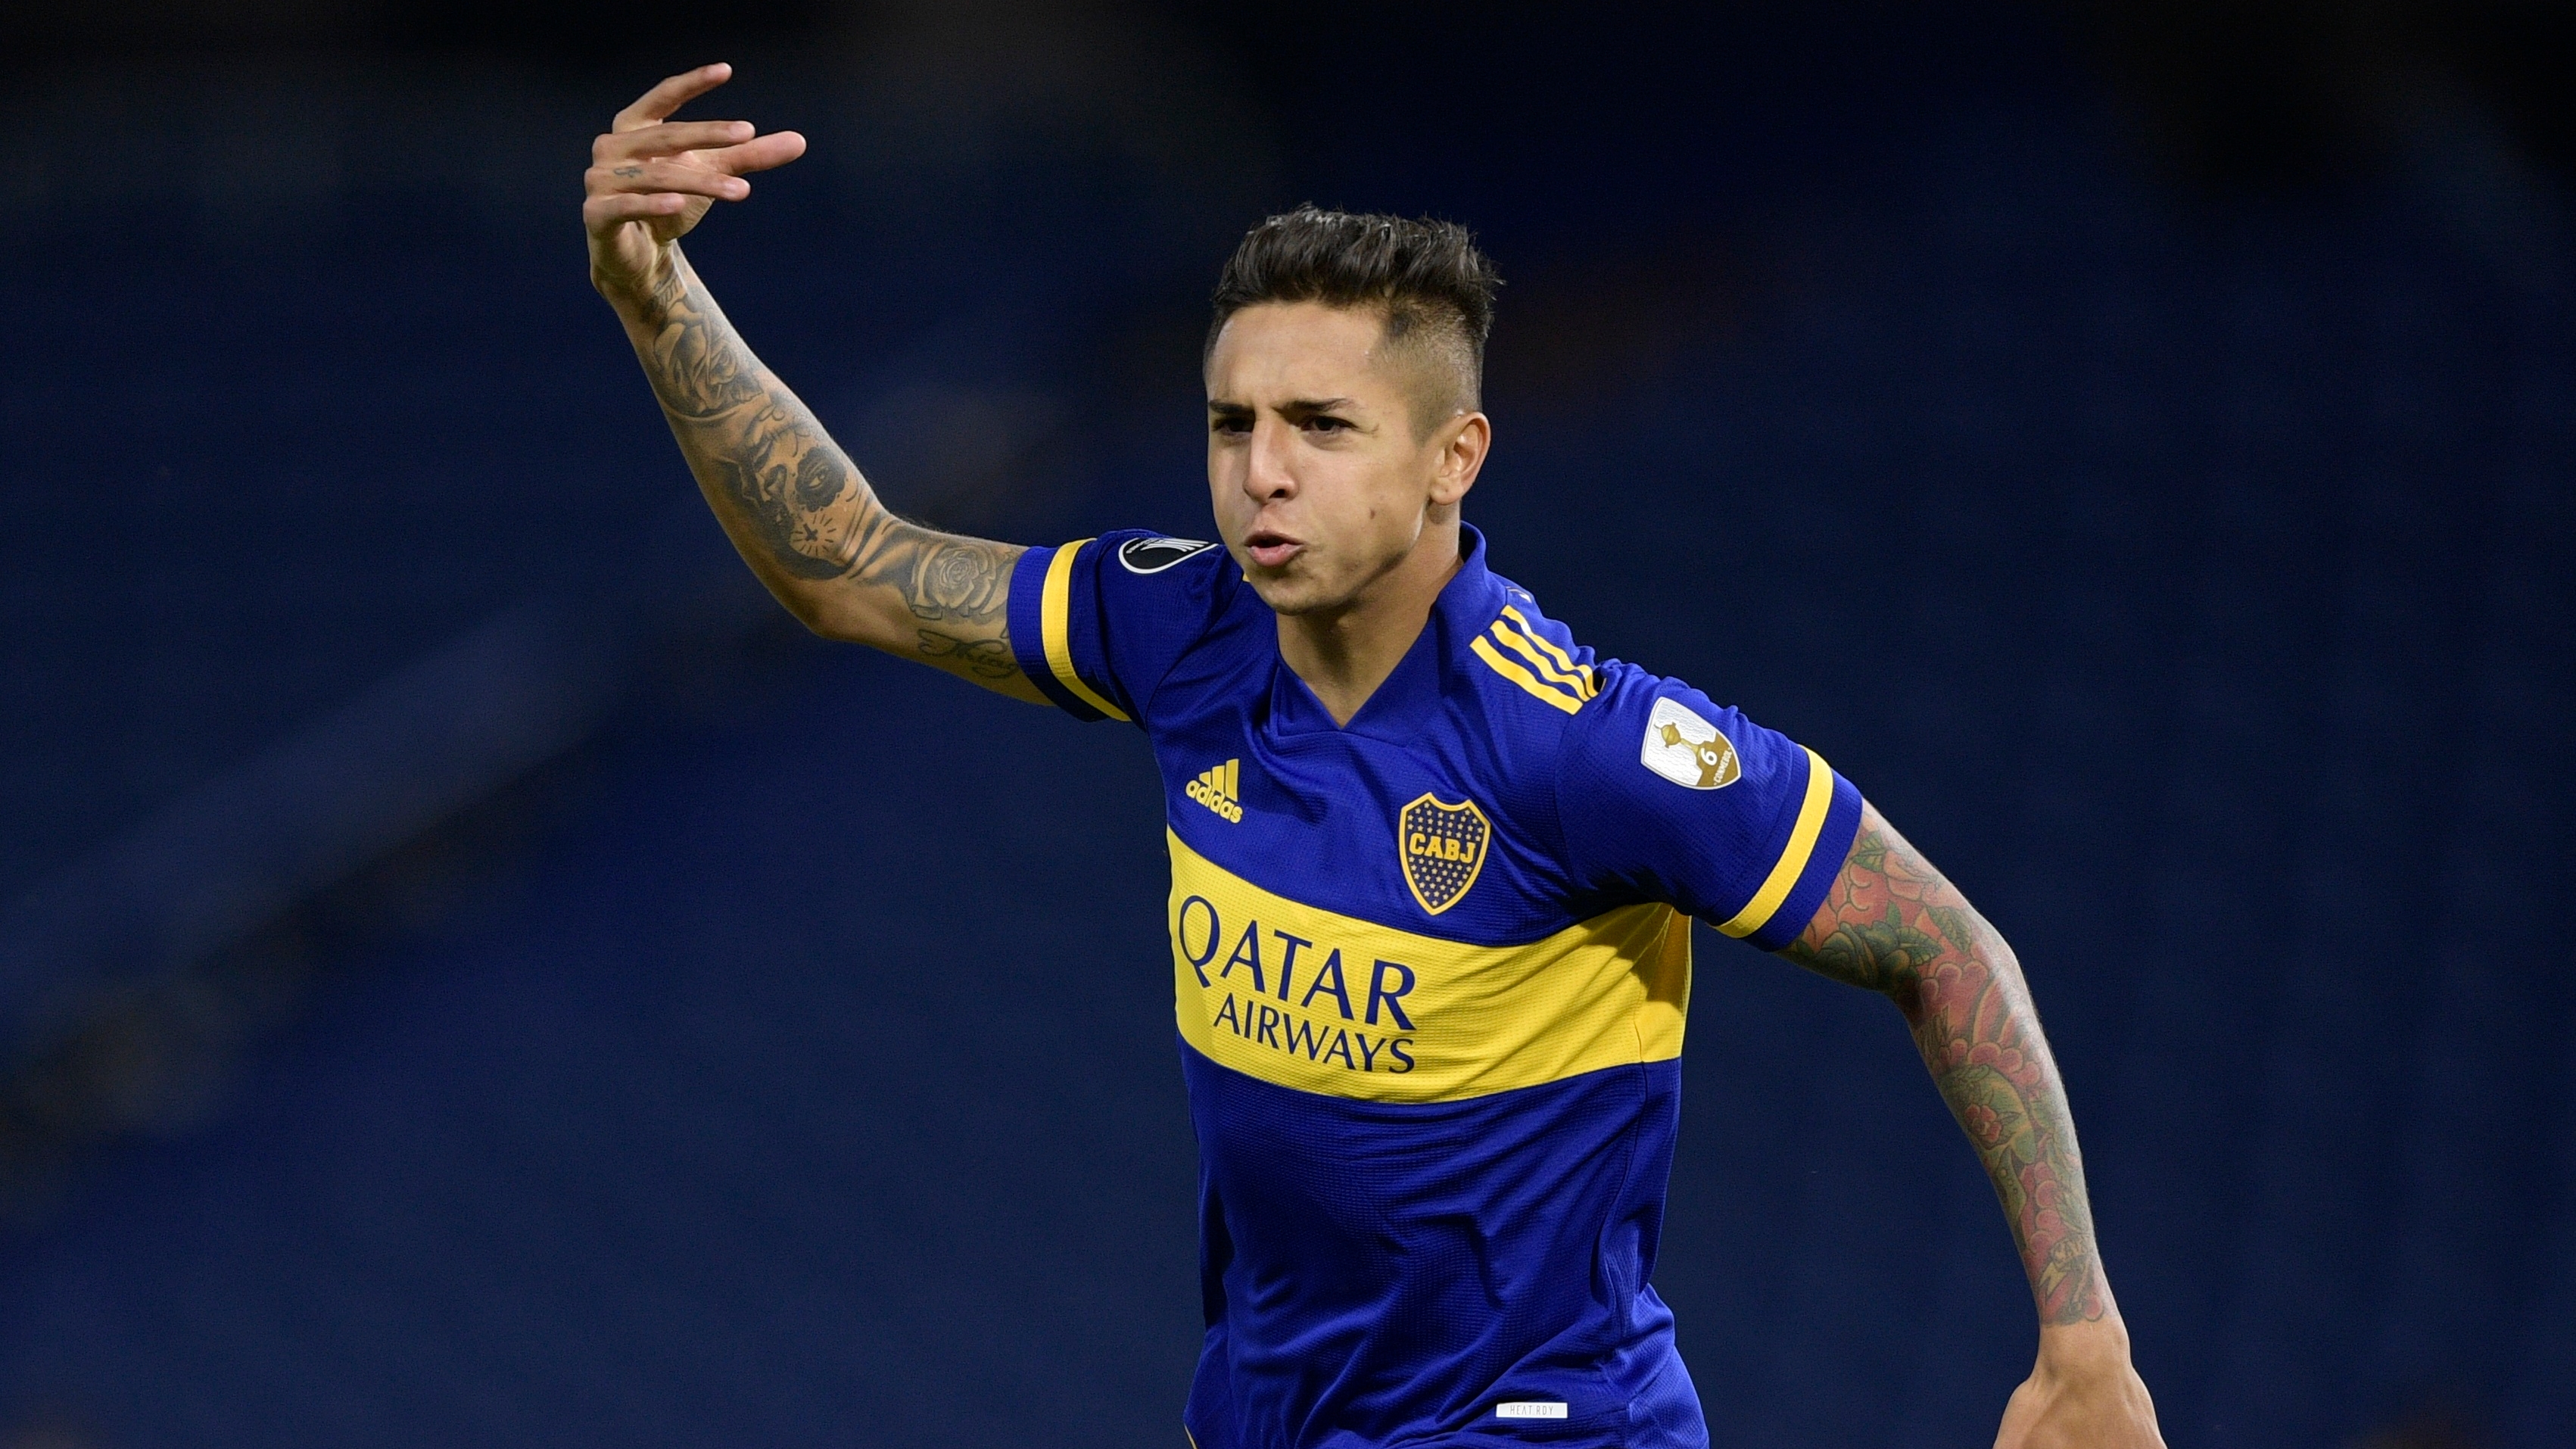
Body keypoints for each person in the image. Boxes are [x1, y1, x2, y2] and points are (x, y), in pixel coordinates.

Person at [582, 64, 2166, 1449]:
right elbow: (851, 562)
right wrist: (656, 297)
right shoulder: (1180, 630)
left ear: (1452, 456)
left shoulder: (1584, 749)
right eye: (1232, 423)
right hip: (1268, 1408)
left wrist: (2081, 1335)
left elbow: (1943, 946)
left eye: (1322, 426)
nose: (1261, 473)